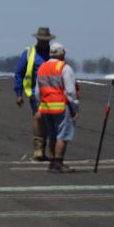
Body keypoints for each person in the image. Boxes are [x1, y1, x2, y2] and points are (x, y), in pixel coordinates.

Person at [36, 41, 79, 173]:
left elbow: (37, 91)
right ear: (61, 53)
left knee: (52, 134)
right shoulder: (65, 68)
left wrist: (40, 104)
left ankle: (52, 162)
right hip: (61, 106)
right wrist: (75, 108)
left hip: (46, 106)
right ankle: (59, 163)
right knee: (63, 135)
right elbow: (70, 91)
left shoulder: (42, 67)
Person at [13, 27, 54, 161]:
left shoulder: (54, 53)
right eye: (42, 40)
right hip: (35, 93)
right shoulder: (29, 53)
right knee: (39, 117)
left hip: (53, 93)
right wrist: (19, 94)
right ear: (37, 39)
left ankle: (44, 150)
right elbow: (19, 73)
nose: (44, 42)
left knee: (48, 121)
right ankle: (38, 150)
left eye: (46, 40)